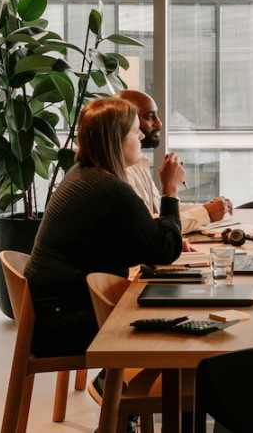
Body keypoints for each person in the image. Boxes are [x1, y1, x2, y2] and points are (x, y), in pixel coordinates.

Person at [22, 97, 184, 358]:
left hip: (54, 314)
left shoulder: (81, 174)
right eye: (134, 130)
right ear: (116, 139)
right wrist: (170, 190)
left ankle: (121, 386)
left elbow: (120, 243)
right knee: (168, 314)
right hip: (62, 326)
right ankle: (124, 391)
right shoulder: (113, 191)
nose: (142, 135)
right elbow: (166, 250)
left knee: (157, 300)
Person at [116, 90, 230, 234]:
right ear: (123, 123)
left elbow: (157, 208)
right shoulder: (118, 173)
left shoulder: (138, 163)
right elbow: (154, 228)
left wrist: (209, 208)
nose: (159, 123)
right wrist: (204, 212)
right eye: (149, 117)